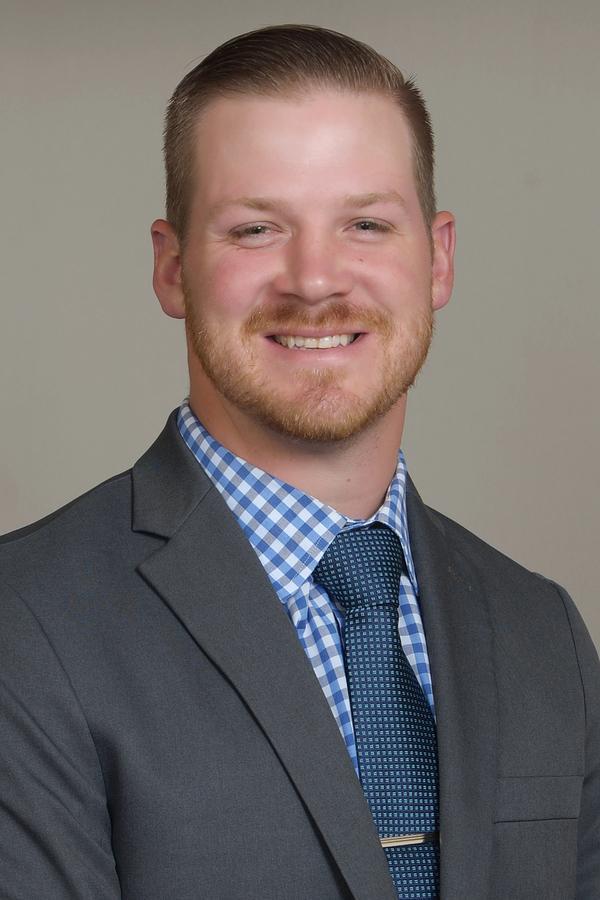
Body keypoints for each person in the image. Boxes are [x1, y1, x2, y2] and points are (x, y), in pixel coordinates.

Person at [1, 23, 598, 900]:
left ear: (438, 260)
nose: (315, 280)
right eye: (255, 229)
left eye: (366, 224)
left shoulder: (543, 632)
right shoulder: (23, 625)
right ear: (172, 269)